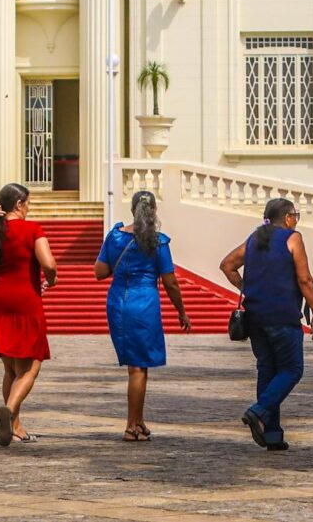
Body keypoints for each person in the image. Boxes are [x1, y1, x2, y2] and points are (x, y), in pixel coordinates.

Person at [218, 197, 313, 451]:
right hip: (282, 316)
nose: (296, 220)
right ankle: (259, 411)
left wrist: (248, 287)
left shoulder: (255, 239)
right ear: (288, 217)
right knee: (291, 369)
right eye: (295, 215)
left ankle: (273, 435)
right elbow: (305, 279)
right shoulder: (293, 238)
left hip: (256, 316)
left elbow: (227, 265)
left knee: (267, 369)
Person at [94, 189, 191, 441]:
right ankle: (131, 426)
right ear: (155, 211)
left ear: (132, 209)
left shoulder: (114, 236)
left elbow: (100, 271)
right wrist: (181, 311)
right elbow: (170, 282)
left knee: (137, 366)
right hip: (144, 302)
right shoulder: (158, 241)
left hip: (118, 302)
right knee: (138, 368)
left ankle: (138, 420)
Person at [0, 182, 58, 446]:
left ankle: (15, 425)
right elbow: (49, 263)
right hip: (24, 299)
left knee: (10, 368)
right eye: (28, 203)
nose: (29, 208)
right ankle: (9, 411)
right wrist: (51, 280)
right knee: (31, 366)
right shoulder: (32, 229)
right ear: (19, 204)